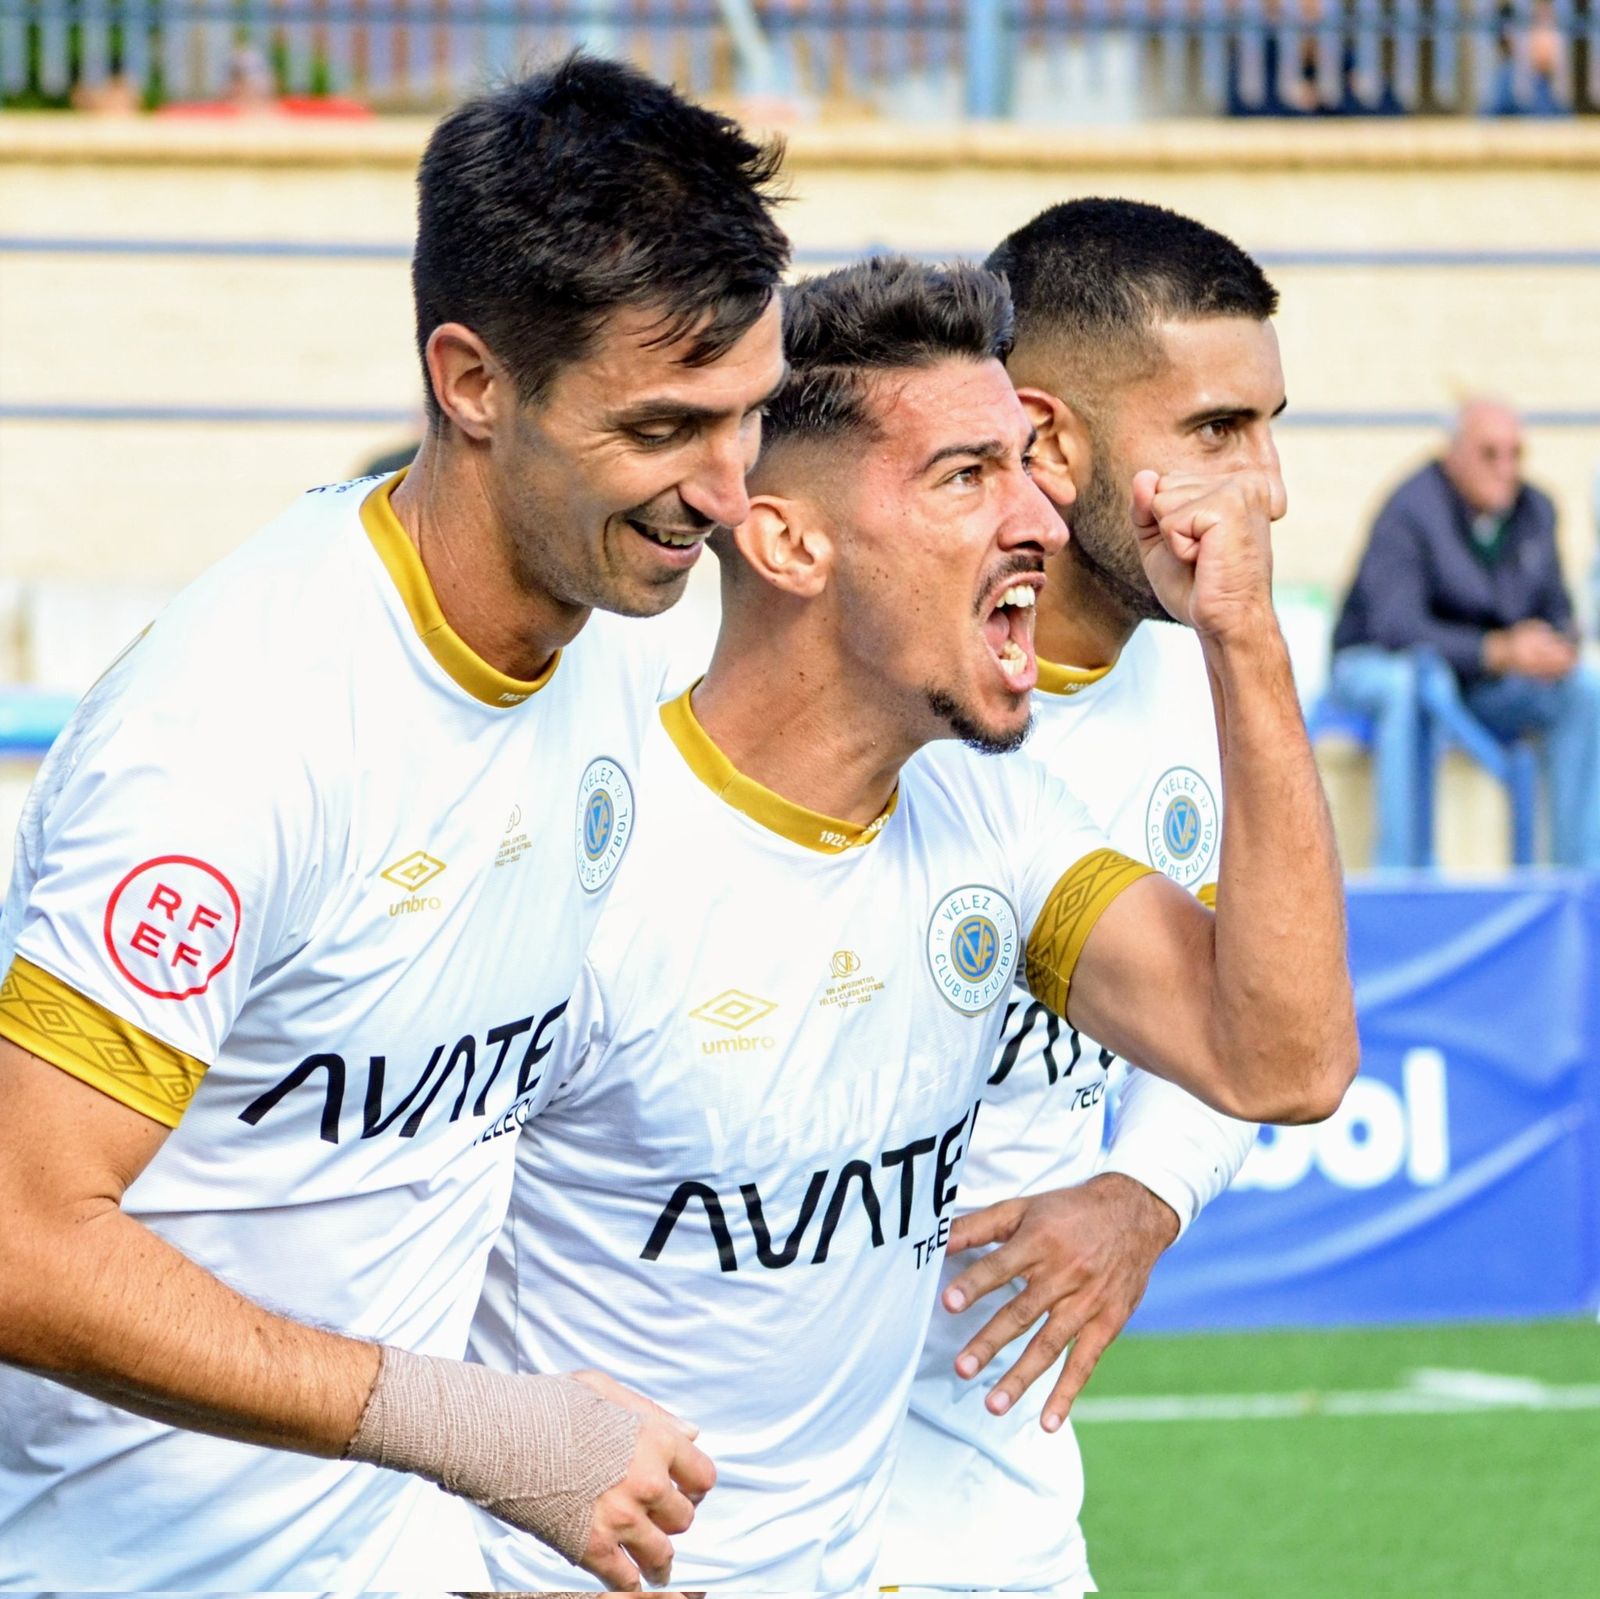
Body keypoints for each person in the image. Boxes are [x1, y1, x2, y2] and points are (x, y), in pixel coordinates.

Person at [0, 56, 787, 1593]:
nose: (725, 488)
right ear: (472, 379)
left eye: (749, 414)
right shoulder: (234, 726)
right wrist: (472, 1421)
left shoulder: (628, 628)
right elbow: (22, 1236)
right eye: (665, 427)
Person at [467, 257, 1357, 1590]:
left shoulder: (995, 821)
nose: (1041, 520)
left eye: (1023, 466)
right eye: (966, 476)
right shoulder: (580, 852)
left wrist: (1248, 639)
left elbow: (1286, 1062)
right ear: (786, 540)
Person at [876, 197, 1286, 1597]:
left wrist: (1143, 1190)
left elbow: (1269, 1023)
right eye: (1217, 433)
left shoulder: (1206, 672)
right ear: (1049, 441)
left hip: (999, 1478)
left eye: (1268, 427)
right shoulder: (854, 679)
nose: (1268, 488)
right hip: (725, 1487)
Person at [1329, 398, 1600, 868]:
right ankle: (1405, 879)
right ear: (1453, 456)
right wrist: (1497, 650)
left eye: (1516, 454)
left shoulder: (1536, 510)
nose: (1506, 469)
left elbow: (1558, 611)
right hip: (1377, 666)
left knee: (1582, 692)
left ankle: (1574, 884)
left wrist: (1555, 648)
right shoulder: (1410, 509)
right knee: (1412, 683)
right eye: (1490, 454)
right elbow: (1395, 629)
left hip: (1480, 685)